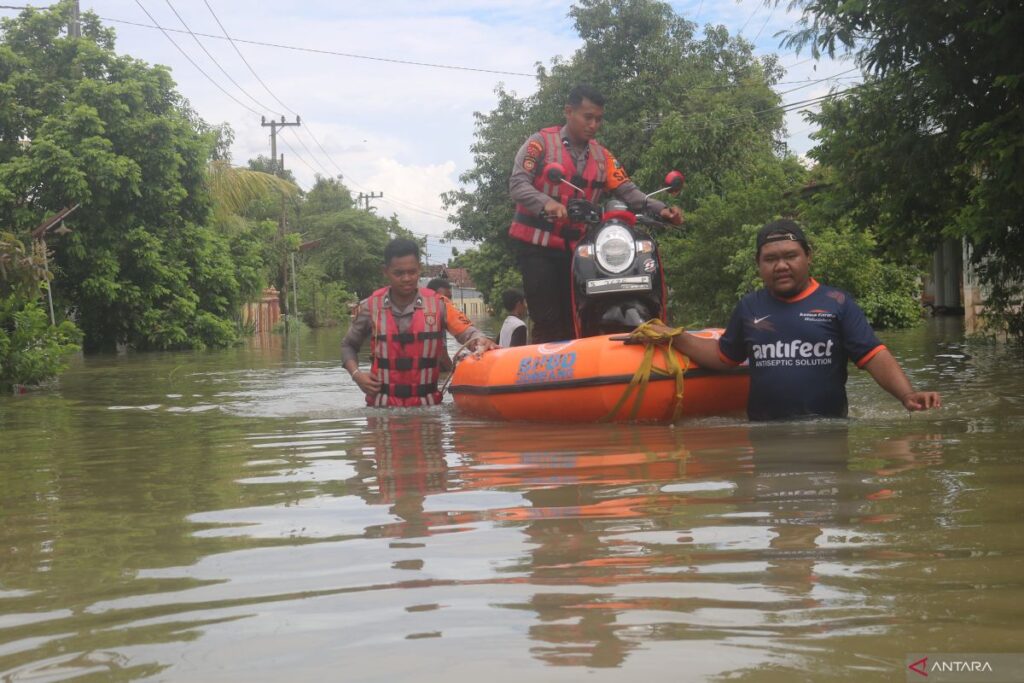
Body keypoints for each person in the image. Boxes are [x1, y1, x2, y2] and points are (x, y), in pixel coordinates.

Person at [658, 219, 942, 420]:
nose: (781, 266)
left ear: (808, 257)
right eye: (770, 259)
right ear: (759, 265)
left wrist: (907, 395)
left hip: (828, 432)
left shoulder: (837, 303)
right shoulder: (749, 306)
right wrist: (674, 336)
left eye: (790, 256)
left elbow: (873, 355)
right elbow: (723, 357)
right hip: (765, 437)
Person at [508, 84, 684, 343]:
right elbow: (518, 184)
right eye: (587, 117)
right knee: (548, 319)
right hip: (538, 248)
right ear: (569, 111)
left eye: (598, 119)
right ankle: (548, 373)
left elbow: (628, 191)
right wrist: (547, 204)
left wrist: (662, 210)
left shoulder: (603, 157)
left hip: (578, 250)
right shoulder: (539, 144)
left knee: (579, 312)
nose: (593, 125)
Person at [342, 238, 496, 407]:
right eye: (399, 273)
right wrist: (357, 375)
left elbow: (468, 333)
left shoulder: (439, 305)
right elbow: (348, 345)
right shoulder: (370, 306)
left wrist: (480, 341)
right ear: (385, 271)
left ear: (420, 269)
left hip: (428, 409)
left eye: (412, 272)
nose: (406, 278)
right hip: (381, 409)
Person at [426, 277, 455, 372]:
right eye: (443, 298)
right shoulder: (431, 321)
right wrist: (454, 373)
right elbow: (442, 356)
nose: (448, 302)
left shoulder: (440, 318)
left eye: (450, 298)